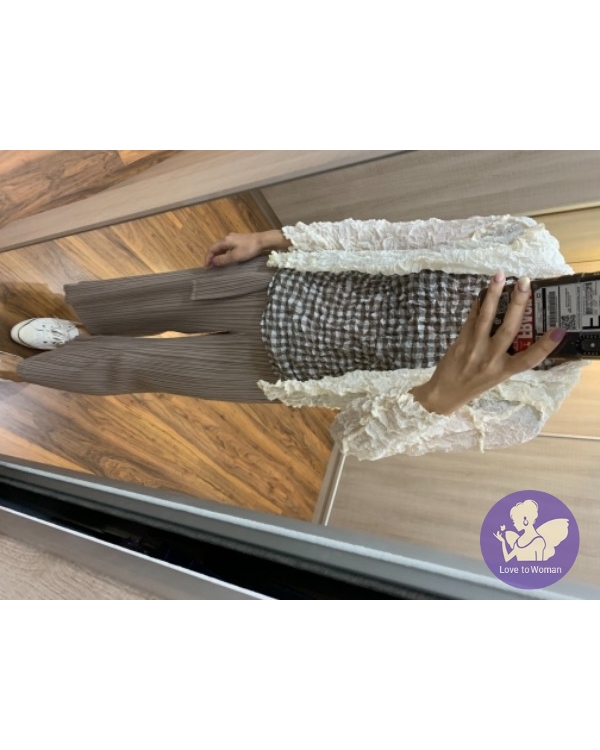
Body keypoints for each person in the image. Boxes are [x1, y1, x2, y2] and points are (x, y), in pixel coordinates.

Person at [0, 215, 586, 460]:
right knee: (152, 299)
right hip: (283, 284)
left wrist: (441, 397)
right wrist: (268, 238)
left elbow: (352, 440)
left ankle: (35, 363)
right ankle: (79, 331)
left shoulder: (524, 409)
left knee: (134, 368)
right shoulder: (526, 243)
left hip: (276, 370)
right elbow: (389, 237)